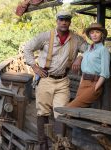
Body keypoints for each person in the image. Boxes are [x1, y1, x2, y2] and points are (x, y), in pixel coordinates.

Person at [23, 11, 86, 150]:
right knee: (42, 112)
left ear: (70, 22)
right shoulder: (46, 36)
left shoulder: (76, 39)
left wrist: (80, 57)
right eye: (61, 19)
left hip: (63, 80)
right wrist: (34, 66)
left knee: (61, 113)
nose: (64, 22)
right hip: (46, 78)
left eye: (67, 20)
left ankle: (59, 146)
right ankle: (43, 146)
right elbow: (27, 48)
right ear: (57, 21)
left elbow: (88, 49)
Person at [67, 23, 110, 108]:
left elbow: (105, 73)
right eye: (92, 32)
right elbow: (85, 69)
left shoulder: (103, 50)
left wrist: (96, 87)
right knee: (74, 112)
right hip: (83, 83)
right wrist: (81, 84)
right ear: (89, 35)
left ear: (102, 34)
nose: (94, 34)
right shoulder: (88, 50)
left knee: (70, 108)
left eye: (97, 32)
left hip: (94, 84)